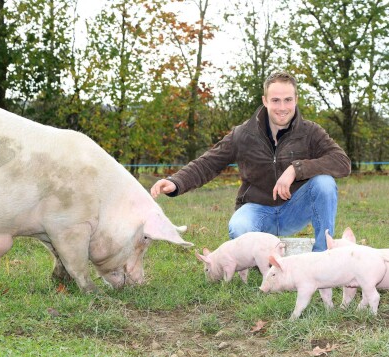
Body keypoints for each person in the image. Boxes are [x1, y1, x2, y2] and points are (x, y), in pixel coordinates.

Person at [150, 71, 351, 251]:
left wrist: (295, 169)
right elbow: (209, 162)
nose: (282, 107)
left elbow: (342, 162)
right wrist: (176, 182)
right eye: (276, 100)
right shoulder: (243, 134)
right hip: (257, 210)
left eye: (288, 100)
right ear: (265, 100)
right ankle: (262, 252)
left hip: (295, 208)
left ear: (296, 99)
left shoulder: (310, 132)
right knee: (239, 229)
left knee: (324, 183)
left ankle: (322, 256)